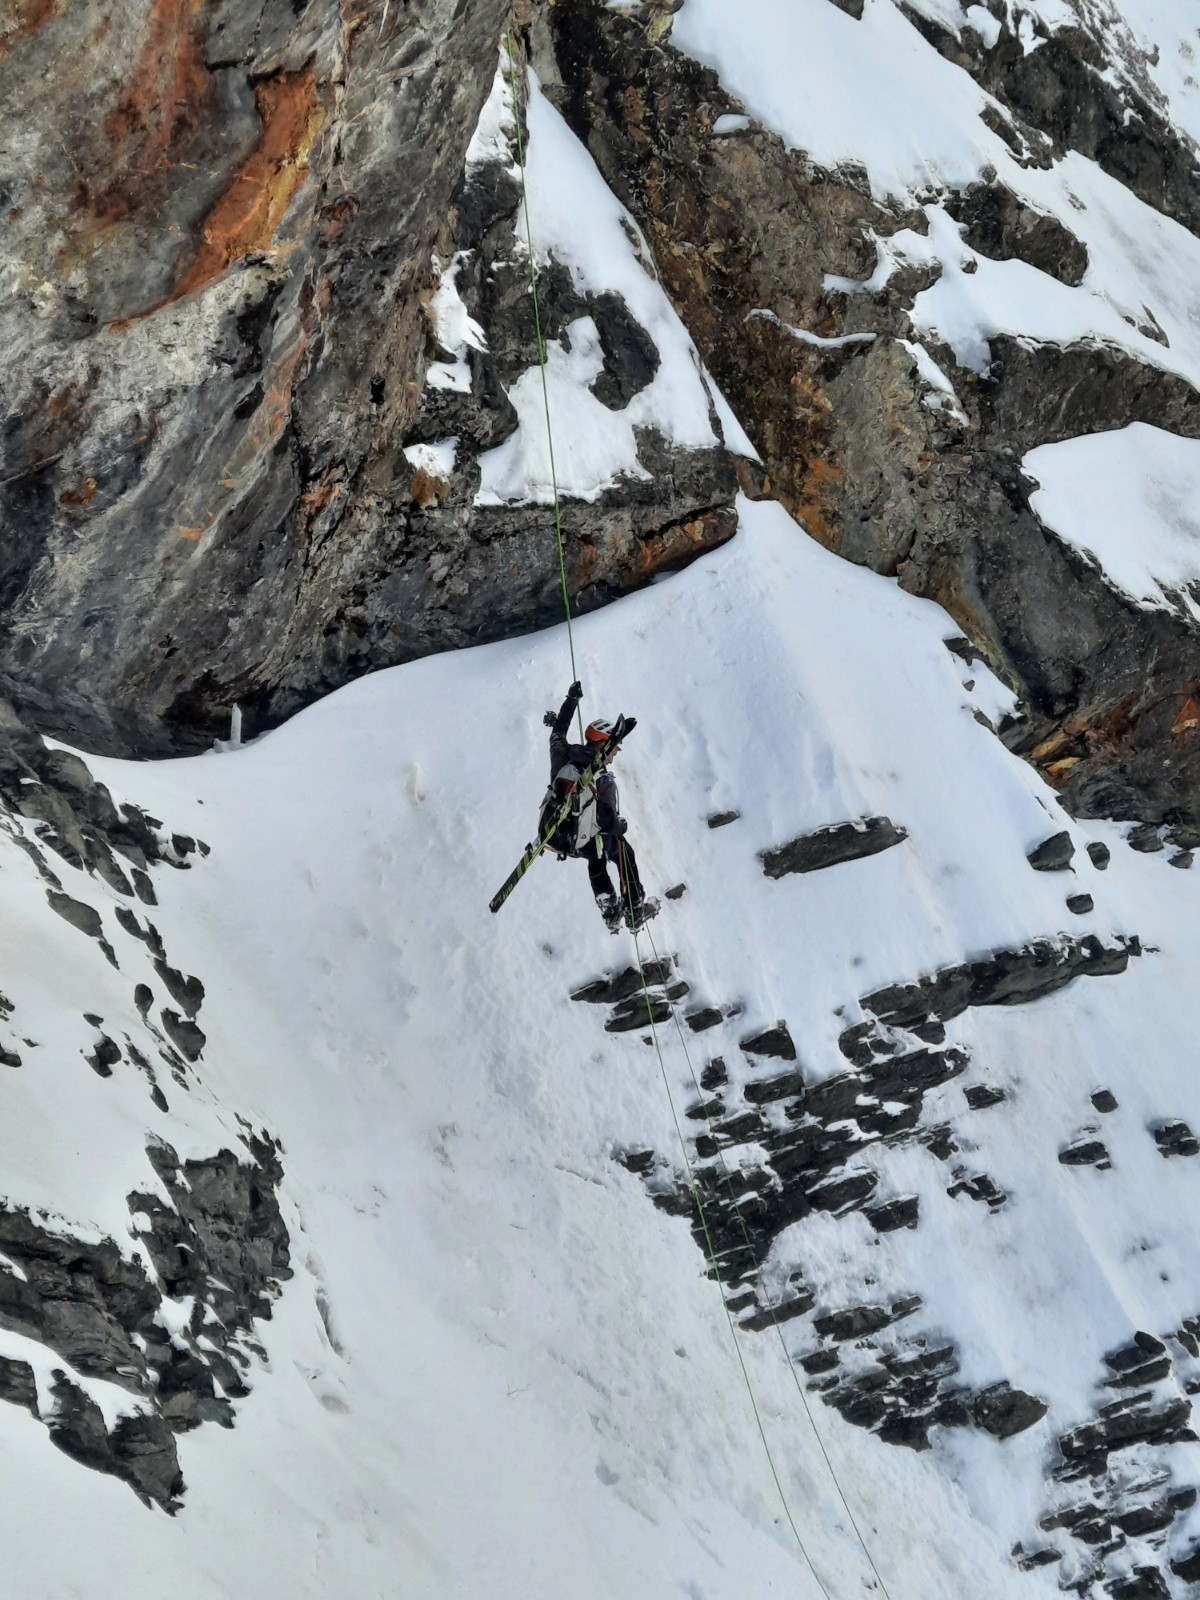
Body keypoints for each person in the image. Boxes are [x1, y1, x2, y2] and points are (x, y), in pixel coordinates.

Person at [543, 681, 655, 933]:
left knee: (596, 852)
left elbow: (557, 732)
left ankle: (609, 910)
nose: (615, 754)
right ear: (602, 744)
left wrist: (570, 701)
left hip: (560, 837)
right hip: (583, 836)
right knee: (621, 849)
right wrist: (619, 825)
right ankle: (634, 909)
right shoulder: (600, 778)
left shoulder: (563, 755)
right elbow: (606, 818)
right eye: (614, 747)